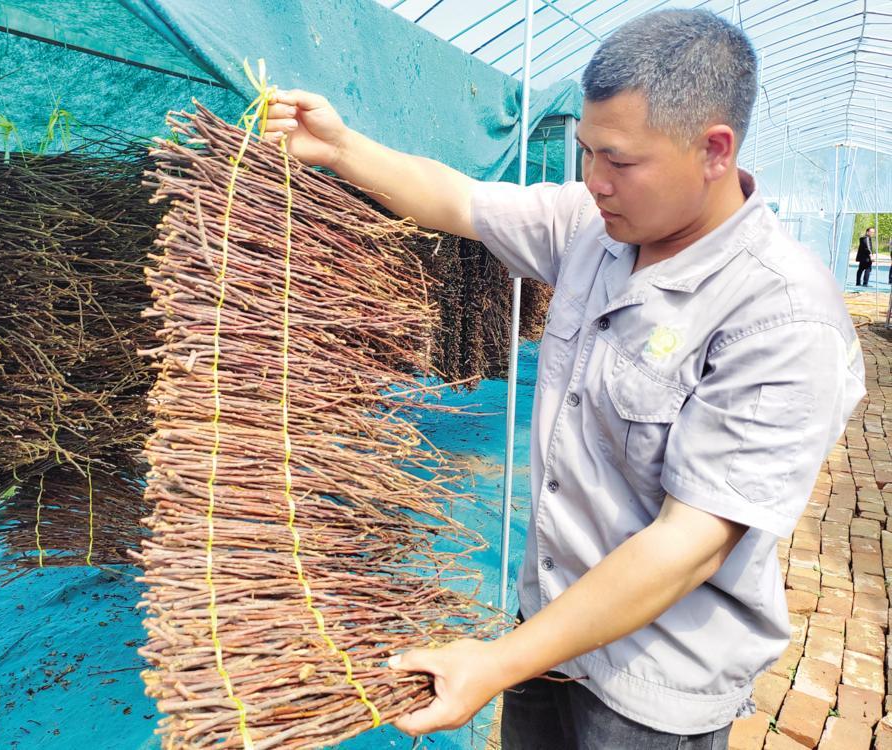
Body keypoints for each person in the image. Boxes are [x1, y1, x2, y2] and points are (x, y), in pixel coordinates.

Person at [266, 9, 865, 748]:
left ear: (714, 150)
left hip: (651, 684)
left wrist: (497, 663)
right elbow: (460, 201)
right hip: (548, 630)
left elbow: (693, 541)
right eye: (586, 152)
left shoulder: (782, 318)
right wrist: (343, 149)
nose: (594, 181)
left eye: (619, 161)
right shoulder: (597, 229)